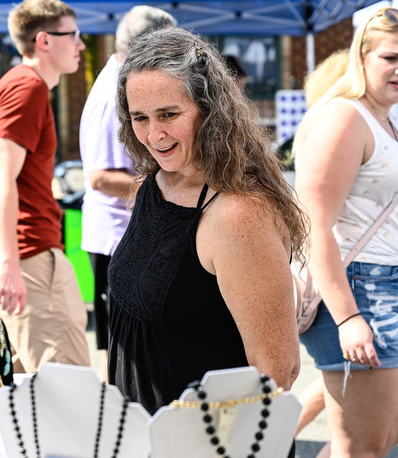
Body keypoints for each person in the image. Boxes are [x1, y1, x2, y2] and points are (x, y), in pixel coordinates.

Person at [108, 27, 307, 416]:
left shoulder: (237, 214)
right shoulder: (155, 184)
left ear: (210, 110)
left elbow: (276, 372)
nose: (153, 134)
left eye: (169, 114)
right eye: (139, 118)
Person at [292, 7, 398, 456]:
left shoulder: (387, 118)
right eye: (390, 57)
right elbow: (313, 222)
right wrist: (347, 317)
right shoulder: (344, 118)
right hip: (362, 287)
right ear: (362, 57)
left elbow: (392, 202)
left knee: (395, 427)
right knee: (362, 446)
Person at [0, 0, 90, 373]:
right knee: (68, 390)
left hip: (21, 255)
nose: (81, 45)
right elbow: (1, 176)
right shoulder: (27, 87)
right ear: (44, 40)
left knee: (30, 398)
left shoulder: (16, 86)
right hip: (29, 257)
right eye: (73, 34)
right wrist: (8, 265)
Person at [78, 5, 176, 381]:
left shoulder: (126, 82)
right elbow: (101, 176)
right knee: (119, 354)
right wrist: (166, 191)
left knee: (130, 351)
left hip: (126, 233)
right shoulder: (112, 94)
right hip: (116, 238)